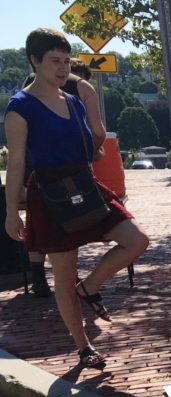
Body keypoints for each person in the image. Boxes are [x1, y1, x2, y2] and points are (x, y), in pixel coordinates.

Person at [4, 29, 149, 369]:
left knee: (137, 240)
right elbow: (15, 163)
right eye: (54, 61)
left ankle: (91, 287)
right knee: (63, 277)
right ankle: (84, 347)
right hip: (50, 193)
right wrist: (12, 213)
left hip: (85, 183)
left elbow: (92, 144)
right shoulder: (19, 106)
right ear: (34, 61)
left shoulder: (72, 100)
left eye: (66, 61)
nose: (62, 68)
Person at [21, 57, 106, 298]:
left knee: (35, 221)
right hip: (68, 171)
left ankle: (40, 276)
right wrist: (90, 153)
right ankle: (71, 279)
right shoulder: (78, 89)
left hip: (35, 168)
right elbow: (96, 132)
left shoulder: (31, 85)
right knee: (71, 218)